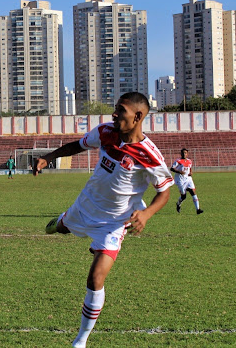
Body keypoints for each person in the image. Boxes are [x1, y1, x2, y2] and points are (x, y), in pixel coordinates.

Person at [34, 92, 173, 348]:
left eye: (121, 110)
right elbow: (78, 144)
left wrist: (146, 213)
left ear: (138, 117)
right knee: (61, 227)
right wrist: (49, 157)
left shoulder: (149, 154)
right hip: (86, 205)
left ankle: (80, 341)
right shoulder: (106, 132)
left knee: (96, 278)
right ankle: (62, 221)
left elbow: (164, 190)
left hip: (114, 223)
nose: (114, 114)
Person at [170, 148, 203, 215]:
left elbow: (189, 168)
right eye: (183, 153)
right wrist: (179, 171)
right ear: (181, 153)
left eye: (185, 153)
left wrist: (191, 172)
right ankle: (178, 204)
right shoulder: (178, 161)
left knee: (193, 192)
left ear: (187, 154)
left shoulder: (189, 161)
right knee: (183, 196)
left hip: (188, 179)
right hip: (180, 180)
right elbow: (172, 168)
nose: (184, 154)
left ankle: (198, 209)